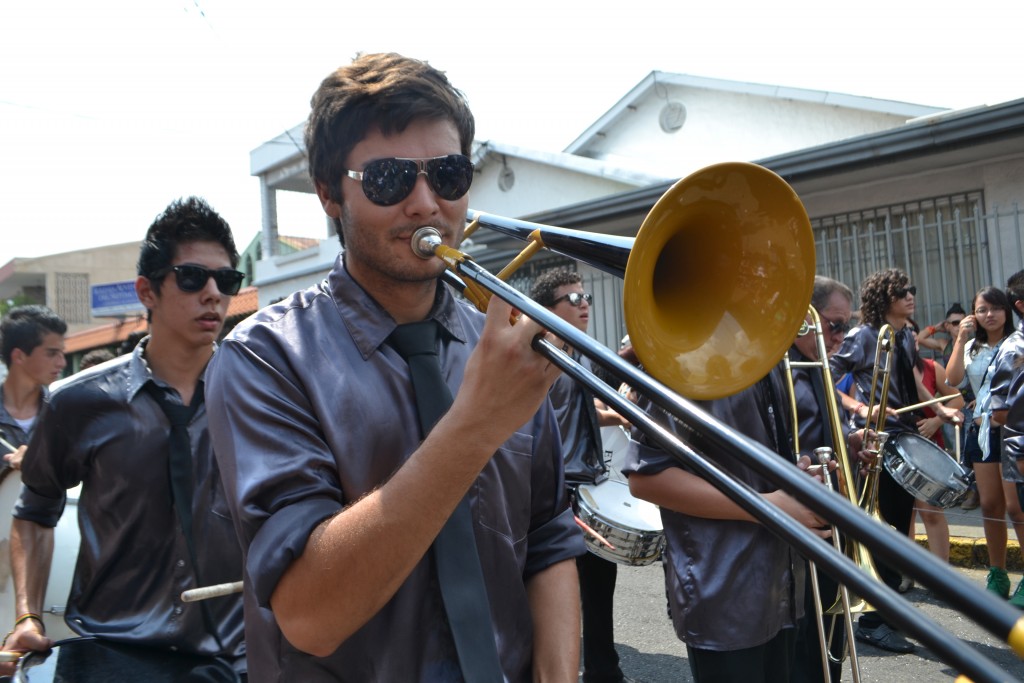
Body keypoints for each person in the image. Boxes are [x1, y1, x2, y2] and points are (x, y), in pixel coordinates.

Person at [205, 52, 584, 682]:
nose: (426, 203)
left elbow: (546, 536)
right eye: (388, 180)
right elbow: (309, 615)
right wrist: (475, 426)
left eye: (448, 174)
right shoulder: (262, 357)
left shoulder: (497, 344)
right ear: (329, 193)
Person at [1, 197, 247, 679]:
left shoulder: (260, 396)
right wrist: (27, 614)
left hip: (237, 656)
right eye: (194, 277)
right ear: (147, 291)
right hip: (112, 653)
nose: (214, 293)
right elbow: (36, 510)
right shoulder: (79, 401)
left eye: (227, 280)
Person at [625, 357, 830, 681]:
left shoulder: (771, 358)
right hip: (725, 593)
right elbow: (647, 477)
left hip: (783, 585)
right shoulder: (681, 356)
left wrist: (799, 480)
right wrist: (769, 507)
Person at [830, 268, 957, 653]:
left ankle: (884, 612)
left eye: (911, 290)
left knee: (899, 528)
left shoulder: (902, 336)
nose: (910, 296)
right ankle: (871, 619)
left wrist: (940, 408)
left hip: (902, 435)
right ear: (884, 298)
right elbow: (830, 377)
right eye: (902, 292)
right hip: (875, 441)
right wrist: (859, 406)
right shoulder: (863, 337)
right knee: (884, 528)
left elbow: (916, 381)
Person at [530, 267, 632, 683]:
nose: (584, 303)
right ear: (549, 309)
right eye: (572, 299)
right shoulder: (539, 354)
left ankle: (603, 669)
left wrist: (624, 415)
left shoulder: (579, 353)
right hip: (554, 488)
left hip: (584, 481)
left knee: (598, 582)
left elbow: (583, 412)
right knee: (559, 589)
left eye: (585, 297)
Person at [787, 275, 857, 683]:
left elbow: (831, 430)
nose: (841, 336)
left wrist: (852, 443)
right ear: (804, 318)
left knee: (831, 645)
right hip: (799, 527)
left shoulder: (823, 368)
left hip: (832, 519)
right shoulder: (779, 369)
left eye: (846, 325)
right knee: (802, 648)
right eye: (835, 325)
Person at [945, 285, 1024, 607]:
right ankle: (997, 573)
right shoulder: (973, 347)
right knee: (990, 506)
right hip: (979, 434)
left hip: (1011, 432)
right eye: (981, 309)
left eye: (995, 308)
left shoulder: (1016, 344)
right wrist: (960, 339)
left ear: (1007, 311)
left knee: (1016, 507)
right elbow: (952, 380)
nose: (989, 315)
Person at [0, 306, 67, 472]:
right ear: (19, 356)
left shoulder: (65, 412)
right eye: (52, 353)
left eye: (62, 353)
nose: (61, 363)